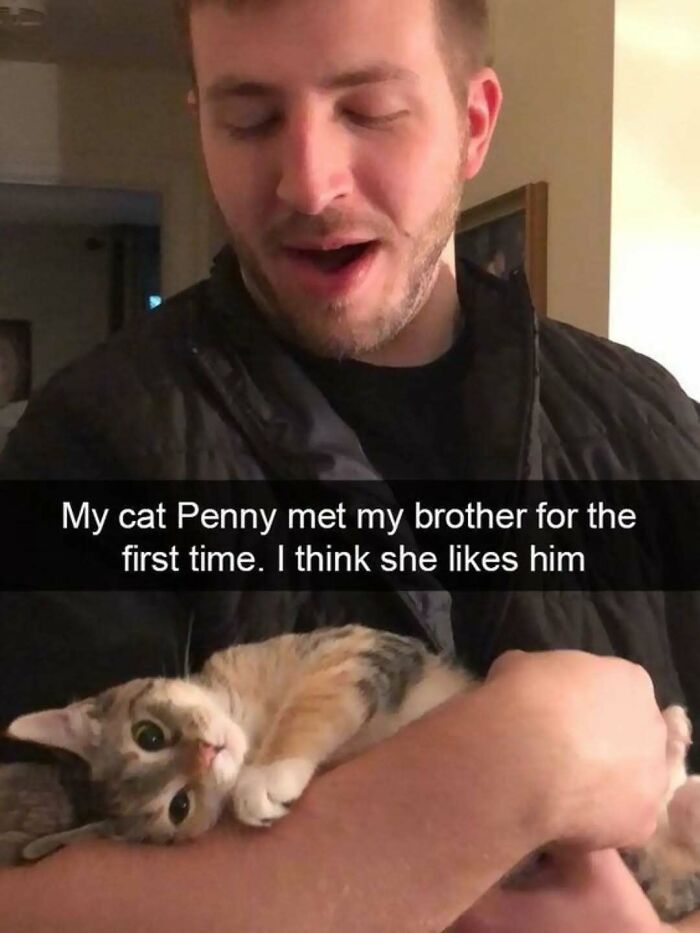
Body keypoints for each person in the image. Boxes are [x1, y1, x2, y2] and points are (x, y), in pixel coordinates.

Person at [1, 0, 699, 929]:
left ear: (474, 126)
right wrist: (515, 765)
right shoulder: (85, 446)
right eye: (248, 118)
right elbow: (29, 890)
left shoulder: (647, 421)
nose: (309, 183)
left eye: (369, 110)